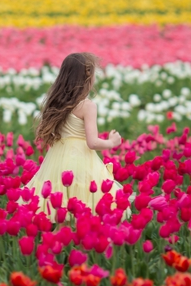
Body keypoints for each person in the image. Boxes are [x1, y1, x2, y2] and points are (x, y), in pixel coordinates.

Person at [20, 52, 128, 221]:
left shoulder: (56, 103)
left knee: (62, 207)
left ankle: (53, 244)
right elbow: (92, 143)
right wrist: (111, 142)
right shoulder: (87, 106)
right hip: (81, 159)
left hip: (57, 160)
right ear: (88, 78)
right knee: (83, 207)